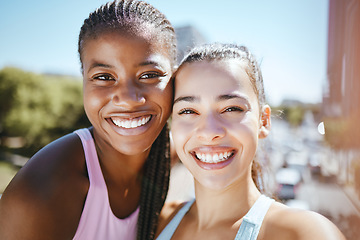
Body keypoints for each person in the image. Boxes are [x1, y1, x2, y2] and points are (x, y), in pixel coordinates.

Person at [0, 0, 177, 239]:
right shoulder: (42, 193)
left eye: (149, 75)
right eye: (104, 76)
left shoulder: (175, 152)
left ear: (175, 79)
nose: (127, 99)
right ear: (83, 80)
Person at [155, 43, 345, 240]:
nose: (209, 132)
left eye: (231, 109)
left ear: (263, 121)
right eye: (188, 111)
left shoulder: (306, 234)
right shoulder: (158, 220)